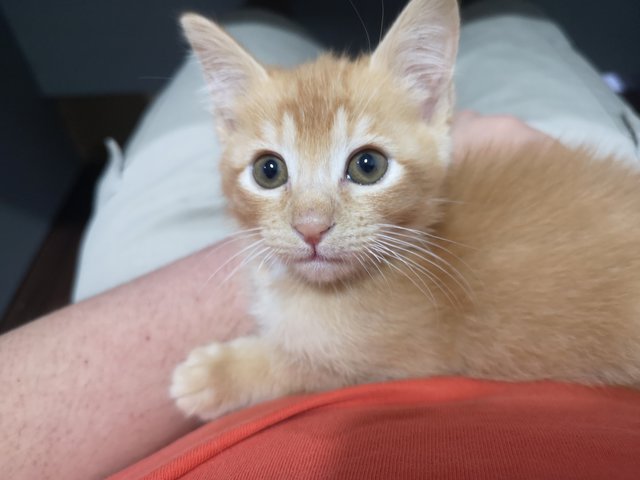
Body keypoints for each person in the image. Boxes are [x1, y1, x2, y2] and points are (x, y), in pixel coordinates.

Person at [2, 2, 639, 479]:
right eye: (270, 170)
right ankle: (504, 17)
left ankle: (264, 15)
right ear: (227, 129)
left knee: (253, 26)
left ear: (429, 111)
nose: (311, 222)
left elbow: (375, 352)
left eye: (365, 165)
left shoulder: (404, 294)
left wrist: (264, 367)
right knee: (517, 34)